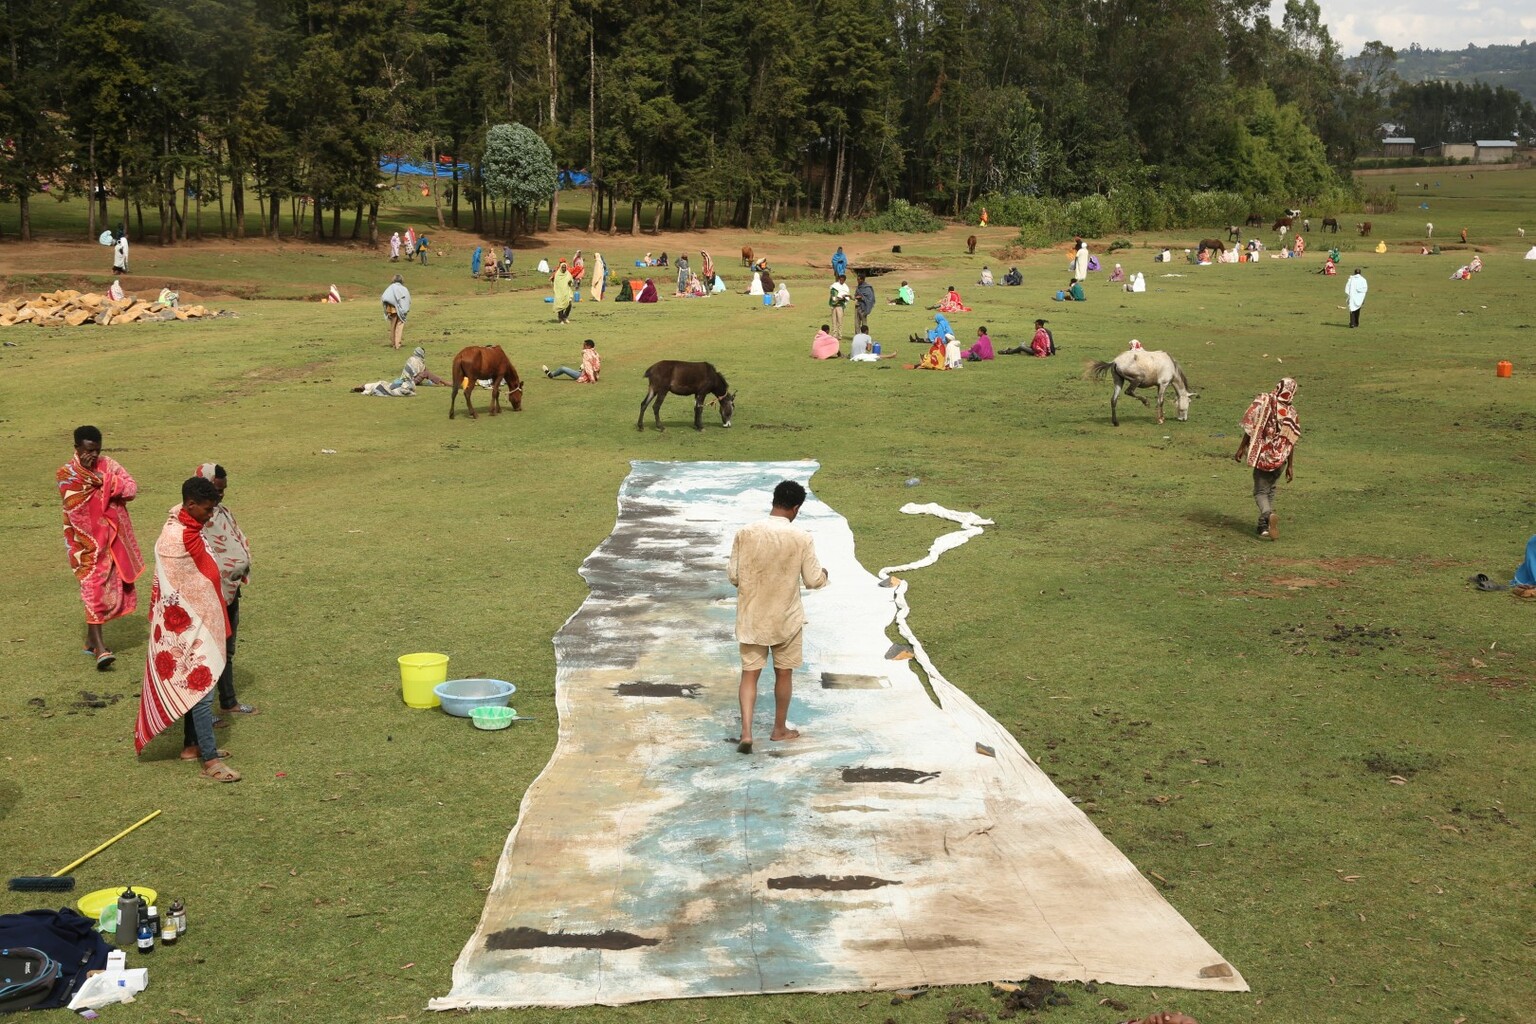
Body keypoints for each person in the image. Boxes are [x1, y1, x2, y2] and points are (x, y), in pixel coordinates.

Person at [138, 476, 239, 783]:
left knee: (197, 689)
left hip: (201, 621)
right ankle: (209, 761)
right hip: (185, 628)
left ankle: (191, 747)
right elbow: (176, 589)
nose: (211, 516)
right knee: (201, 691)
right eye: (207, 510)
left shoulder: (190, 526)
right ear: (191, 505)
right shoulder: (173, 539)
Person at [728, 480, 828, 754]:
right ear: (796, 508)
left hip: (752, 617)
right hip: (786, 619)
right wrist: (824, 576)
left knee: (749, 675)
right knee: (783, 673)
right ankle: (779, 729)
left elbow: (734, 576)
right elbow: (813, 579)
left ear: (773, 501)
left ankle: (746, 732)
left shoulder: (745, 532)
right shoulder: (801, 537)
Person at [58, 426, 144, 670]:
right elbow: (73, 506)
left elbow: (131, 489)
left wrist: (104, 480)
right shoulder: (67, 474)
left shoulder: (109, 466)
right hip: (84, 543)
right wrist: (94, 479)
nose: (93, 456)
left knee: (105, 588)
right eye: (88, 451)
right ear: (77, 448)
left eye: (97, 450)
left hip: (112, 540)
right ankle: (101, 649)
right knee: (93, 587)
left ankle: (89, 641)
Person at [191, 463, 256, 721]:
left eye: (223, 490)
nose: (221, 496)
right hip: (208, 596)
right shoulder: (195, 518)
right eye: (217, 490)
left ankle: (228, 702)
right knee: (206, 651)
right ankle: (202, 714)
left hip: (230, 592)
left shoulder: (222, 512)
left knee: (227, 649)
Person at [1235, 378, 1300, 542]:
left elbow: (1251, 428)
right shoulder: (1291, 413)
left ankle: (1268, 514)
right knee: (1270, 490)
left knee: (1260, 492)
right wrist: (1290, 466)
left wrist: (1242, 447)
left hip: (1264, 457)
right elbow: (1290, 441)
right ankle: (1263, 527)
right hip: (1281, 461)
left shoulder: (1266, 402)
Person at [352, 346, 449, 395]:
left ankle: (363, 387)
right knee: (426, 373)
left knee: (426, 373)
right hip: (411, 381)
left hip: (403, 379)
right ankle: (447, 383)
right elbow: (425, 373)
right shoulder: (419, 362)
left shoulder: (411, 359)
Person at [381, 275, 410, 349]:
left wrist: (393, 303)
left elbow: (384, 297)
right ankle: (398, 344)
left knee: (393, 326)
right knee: (399, 325)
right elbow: (407, 299)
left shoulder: (390, 287)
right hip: (399, 309)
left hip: (392, 309)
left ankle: (393, 343)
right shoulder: (404, 289)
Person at [828, 273, 851, 338]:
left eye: (843, 280)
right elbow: (832, 294)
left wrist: (843, 298)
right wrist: (835, 298)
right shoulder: (835, 285)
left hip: (840, 306)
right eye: (840, 280)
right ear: (839, 279)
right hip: (834, 306)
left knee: (840, 321)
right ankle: (834, 334)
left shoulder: (846, 287)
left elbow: (847, 296)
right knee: (834, 321)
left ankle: (840, 335)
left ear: (844, 280)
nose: (841, 281)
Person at [552, 259, 575, 323]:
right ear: (560, 267)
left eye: (565, 267)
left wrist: (570, 282)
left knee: (569, 305)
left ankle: (565, 316)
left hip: (567, 292)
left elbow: (571, 282)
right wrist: (556, 291)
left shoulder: (568, 274)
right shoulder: (557, 275)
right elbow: (556, 284)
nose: (564, 268)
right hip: (559, 292)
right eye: (563, 267)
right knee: (560, 306)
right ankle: (561, 318)